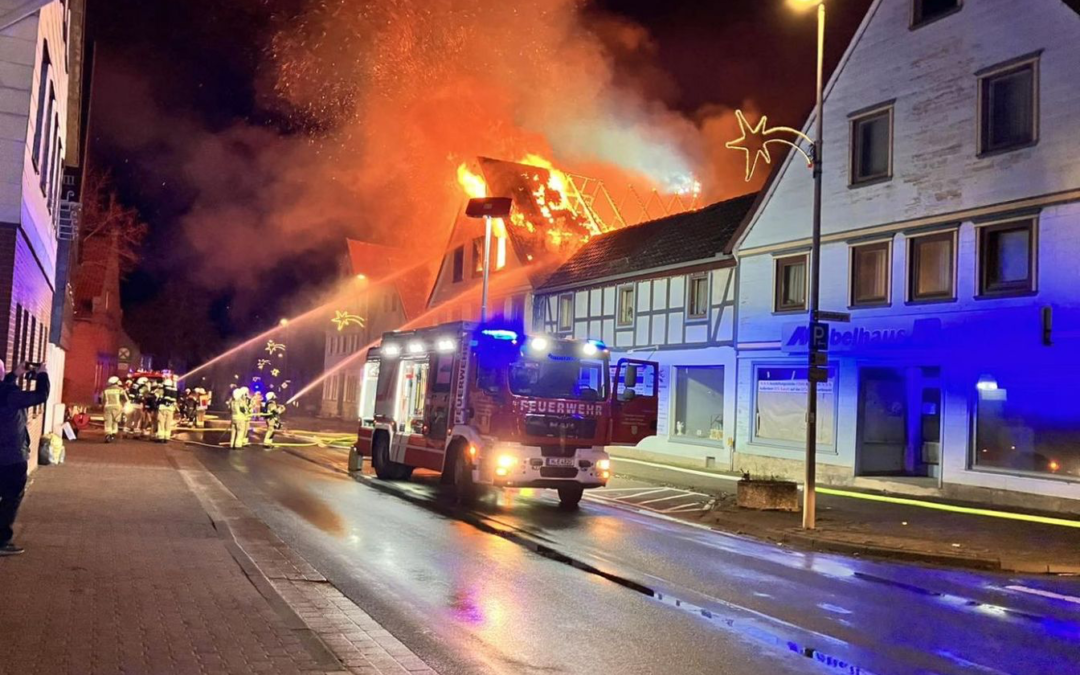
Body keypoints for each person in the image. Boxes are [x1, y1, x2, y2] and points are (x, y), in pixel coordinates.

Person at [0, 361, 50, 556]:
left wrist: (15, 374)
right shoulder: (8, 395)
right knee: (11, 498)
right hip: (10, 457)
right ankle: (2, 540)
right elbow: (40, 396)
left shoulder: (6, 393)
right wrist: (43, 375)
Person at [102, 376, 127, 443]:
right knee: (115, 421)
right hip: (117, 407)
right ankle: (113, 433)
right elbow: (125, 399)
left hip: (107, 407)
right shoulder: (120, 389)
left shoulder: (106, 390)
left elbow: (102, 399)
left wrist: (103, 405)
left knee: (108, 421)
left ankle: (108, 434)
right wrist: (124, 407)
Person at [155, 377, 179, 443]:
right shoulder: (174, 391)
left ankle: (161, 438)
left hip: (162, 408)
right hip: (170, 409)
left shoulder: (162, 390)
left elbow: (157, 397)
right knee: (168, 424)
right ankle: (167, 438)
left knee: (161, 423)